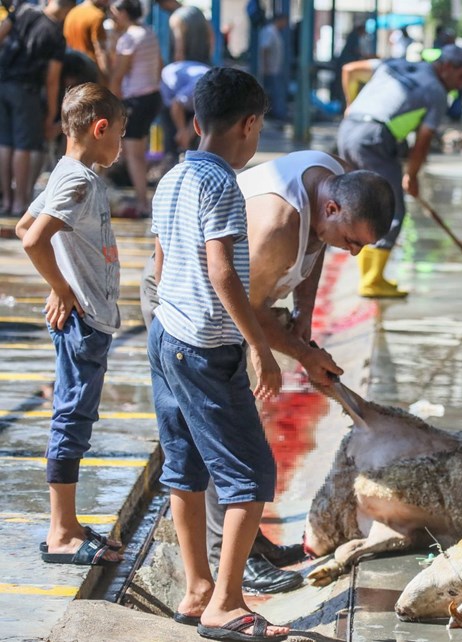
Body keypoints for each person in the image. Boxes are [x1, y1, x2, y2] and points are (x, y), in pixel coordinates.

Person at [141, 150, 395, 593]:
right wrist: (299, 353)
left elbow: (314, 249)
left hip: (228, 313)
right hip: (198, 311)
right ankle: (230, 564)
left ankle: (246, 544)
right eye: (352, 241)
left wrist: (304, 315)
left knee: (232, 435)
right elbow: (248, 311)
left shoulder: (331, 180)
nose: (353, 254)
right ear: (332, 208)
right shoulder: (278, 225)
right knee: (227, 445)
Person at [147, 67, 288, 640]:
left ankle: (197, 586)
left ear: (198, 121)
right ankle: (226, 604)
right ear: (250, 124)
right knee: (250, 475)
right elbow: (223, 270)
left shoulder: (171, 177)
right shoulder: (223, 184)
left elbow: (158, 265)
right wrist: (259, 347)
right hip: (205, 347)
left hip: (165, 333)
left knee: (184, 467)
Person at [15, 83, 126, 567]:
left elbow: (23, 226)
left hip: (86, 317)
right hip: (84, 320)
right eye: (120, 133)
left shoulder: (68, 172)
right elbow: (33, 239)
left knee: (75, 413)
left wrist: (59, 278)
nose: (121, 143)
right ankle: (61, 532)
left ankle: (71, 522)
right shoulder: (78, 180)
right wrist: (61, 288)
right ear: (100, 129)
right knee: (73, 418)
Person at [337, 44, 462, 298]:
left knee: (360, 203)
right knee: (389, 208)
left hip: (348, 128)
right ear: (446, 67)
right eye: (461, 76)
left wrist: (351, 104)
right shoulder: (436, 92)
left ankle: (368, 274)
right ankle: (372, 279)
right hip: (374, 138)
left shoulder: (398, 64)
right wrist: (412, 175)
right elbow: (423, 141)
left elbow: (350, 71)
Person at [0, 0, 76, 218]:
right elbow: (52, 79)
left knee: (5, 143)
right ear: (68, 8)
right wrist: (53, 112)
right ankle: (20, 201)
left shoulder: (24, 10)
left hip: (3, 82)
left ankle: (6, 198)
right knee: (23, 145)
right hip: (27, 89)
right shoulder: (56, 35)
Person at [108, 0, 162, 217]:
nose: (112, 17)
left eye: (114, 12)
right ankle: (143, 199)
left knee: (134, 154)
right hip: (151, 96)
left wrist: (110, 104)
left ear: (123, 13)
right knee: (138, 150)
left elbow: (118, 75)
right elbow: (159, 63)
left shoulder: (130, 38)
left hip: (135, 100)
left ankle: (142, 202)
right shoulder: (149, 33)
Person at [160, 59, 210, 155]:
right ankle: (170, 159)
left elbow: (202, 114)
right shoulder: (196, 87)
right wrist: (182, 130)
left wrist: (189, 132)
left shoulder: (213, 93)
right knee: (173, 135)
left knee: (195, 135)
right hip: (171, 93)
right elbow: (176, 105)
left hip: (189, 99)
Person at [62, 0, 110, 81]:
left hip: (71, 69)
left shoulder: (72, 12)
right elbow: (100, 51)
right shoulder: (97, 16)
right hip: (89, 70)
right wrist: (107, 77)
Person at [153, 0, 211, 64]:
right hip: (204, 64)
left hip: (187, 67)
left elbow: (179, 48)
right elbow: (211, 36)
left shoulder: (176, 18)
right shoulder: (197, 11)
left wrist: (178, 66)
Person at [259, 13, 287, 122]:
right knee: (273, 92)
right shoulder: (269, 32)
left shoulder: (275, 32)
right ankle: (275, 115)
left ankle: (275, 114)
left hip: (274, 68)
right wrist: (265, 67)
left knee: (274, 92)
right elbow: (264, 49)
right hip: (269, 69)